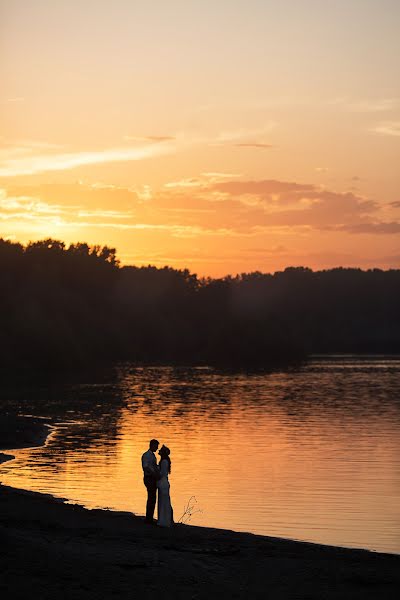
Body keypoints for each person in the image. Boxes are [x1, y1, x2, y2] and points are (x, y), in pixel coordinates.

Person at [141, 439, 159, 524]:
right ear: (152, 445)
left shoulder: (152, 455)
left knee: (152, 498)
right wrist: (153, 473)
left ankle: (150, 517)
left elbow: (153, 466)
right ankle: (148, 518)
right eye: (156, 446)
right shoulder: (146, 455)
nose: (157, 448)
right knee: (151, 497)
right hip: (149, 478)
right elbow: (146, 467)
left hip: (152, 478)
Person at [157, 445, 173, 527]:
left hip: (163, 483)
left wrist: (155, 472)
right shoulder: (164, 461)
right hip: (164, 482)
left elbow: (162, 473)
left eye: (160, 450)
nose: (158, 451)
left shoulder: (163, 462)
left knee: (163, 502)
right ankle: (165, 520)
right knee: (164, 501)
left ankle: (164, 521)